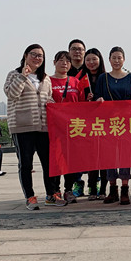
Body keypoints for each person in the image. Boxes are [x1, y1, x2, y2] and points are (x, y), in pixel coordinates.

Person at [4, 44, 54, 210]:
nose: (37, 58)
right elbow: (11, 94)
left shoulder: (45, 78)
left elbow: (49, 100)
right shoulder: (14, 74)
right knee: (26, 164)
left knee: (48, 163)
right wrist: (23, 76)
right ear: (26, 55)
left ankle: (51, 194)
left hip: (43, 127)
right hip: (22, 127)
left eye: (41, 56)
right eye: (34, 54)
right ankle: (30, 197)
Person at [94, 46, 131, 205]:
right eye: (114, 58)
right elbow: (97, 98)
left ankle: (125, 188)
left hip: (126, 123)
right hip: (108, 123)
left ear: (124, 59)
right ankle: (113, 189)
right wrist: (98, 101)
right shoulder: (102, 78)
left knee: (125, 155)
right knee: (109, 156)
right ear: (109, 60)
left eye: (119, 57)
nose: (117, 60)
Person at [48, 51, 82, 204]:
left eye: (67, 61)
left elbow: (82, 104)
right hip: (54, 129)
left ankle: (69, 189)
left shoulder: (75, 82)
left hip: (73, 129)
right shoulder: (47, 81)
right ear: (54, 62)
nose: (64, 64)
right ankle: (55, 191)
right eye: (61, 60)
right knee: (55, 161)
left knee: (71, 161)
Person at [75, 47, 107, 200]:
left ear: (100, 60)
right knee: (92, 158)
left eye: (94, 59)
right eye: (88, 60)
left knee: (106, 158)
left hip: (106, 123)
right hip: (87, 124)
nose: (91, 62)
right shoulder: (80, 78)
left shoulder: (106, 77)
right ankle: (92, 188)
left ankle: (104, 189)